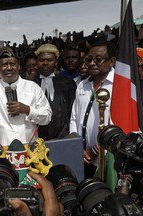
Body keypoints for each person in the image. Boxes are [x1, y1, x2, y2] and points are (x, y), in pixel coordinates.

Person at [70, 40, 116, 178]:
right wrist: (76, 146)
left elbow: (116, 123)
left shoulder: (119, 85)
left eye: (98, 59)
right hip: (81, 156)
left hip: (106, 157)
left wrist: (95, 150)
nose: (91, 63)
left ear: (112, 61)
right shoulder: (82, 85)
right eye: (89, 59)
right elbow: (74, 118)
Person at [34, 43, 76, 140]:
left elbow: (72, 113)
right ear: (37, 62)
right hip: (36, 140)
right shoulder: (30, 84)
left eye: (49, 60)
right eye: (41, 60)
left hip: (63, 138)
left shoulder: (68, 83)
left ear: (56, 62)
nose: (45, 63)